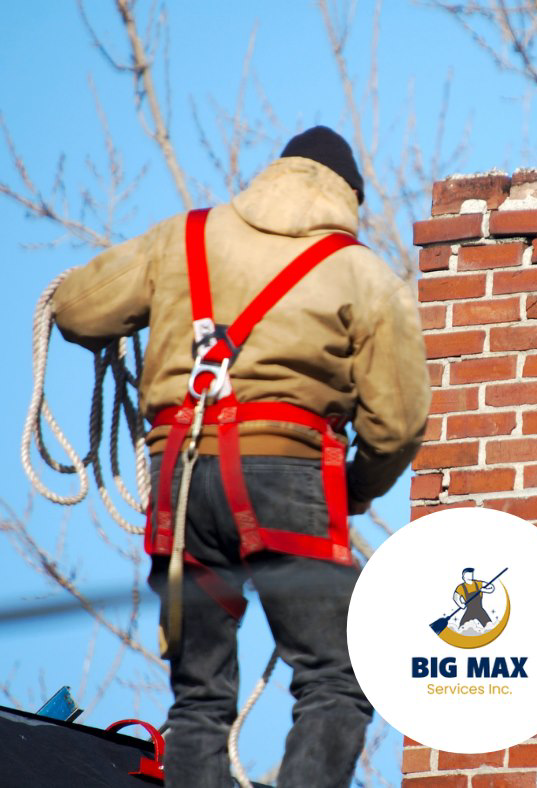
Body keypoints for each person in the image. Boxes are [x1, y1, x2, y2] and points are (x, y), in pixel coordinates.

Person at [52, 126, 431, 787]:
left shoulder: (183, 238)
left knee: (199, 695)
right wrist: (358, 487)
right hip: (287, 476)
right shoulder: (361, 272)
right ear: (349, 198)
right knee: (337, 675)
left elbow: (78, 309)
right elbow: (397, 425)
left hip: (181, 477)